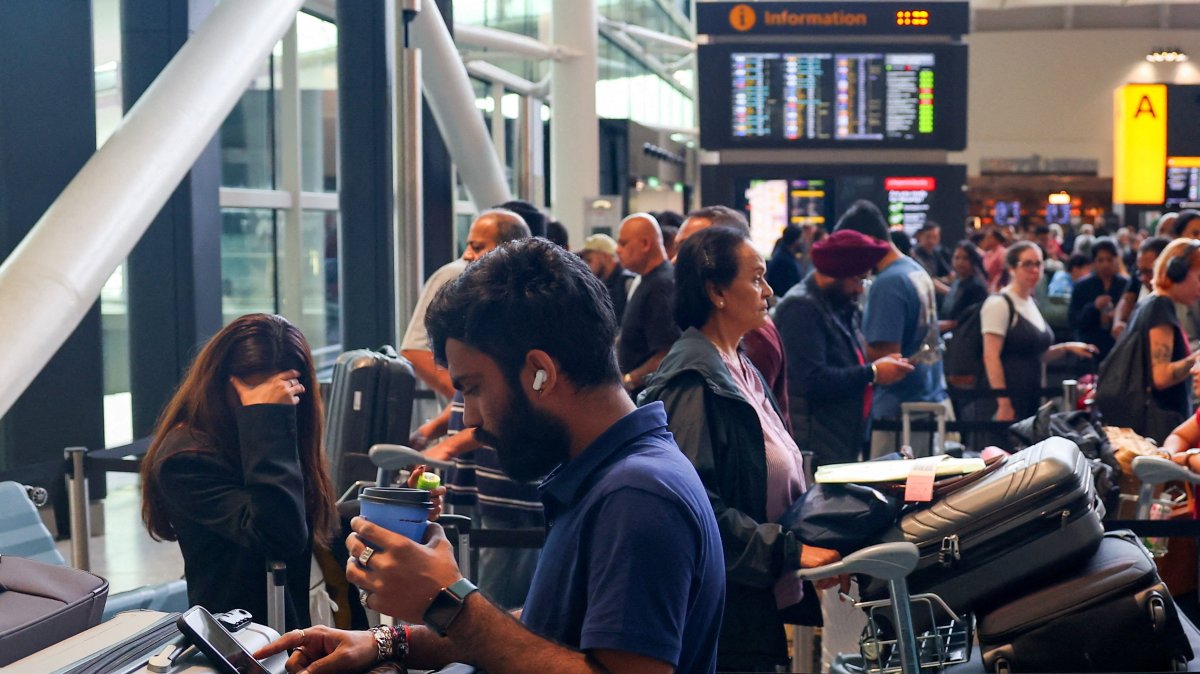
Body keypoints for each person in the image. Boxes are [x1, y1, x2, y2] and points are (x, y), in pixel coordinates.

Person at [257, 239, 725, 674]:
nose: (471, 420)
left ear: (541, 372)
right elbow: (551, 630)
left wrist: (447, 603)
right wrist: (389, 641)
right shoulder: (614, 476)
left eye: (474, 389)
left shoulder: (637, 496)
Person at [639, 226, 847, 672]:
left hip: (753, 602)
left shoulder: (739, 363)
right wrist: (786, 552)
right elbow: (693, 505)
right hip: (724, 615)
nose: (768, 290)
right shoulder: (693, 380)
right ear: (716, 291)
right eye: (755, 279)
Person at [139, 314, 339, 630]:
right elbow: (280, 536)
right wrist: (266, 418)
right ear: (219, 382)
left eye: (283, 391)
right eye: (256, 392)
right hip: (242, 642)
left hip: (291, 626)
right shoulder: (186, 457)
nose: (273, 401)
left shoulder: (267, 434)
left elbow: (306, 516)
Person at [775, 230, 914, 467]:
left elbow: (845, 360)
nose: (861, 289)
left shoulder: (837, 303)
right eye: (858, 279)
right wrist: (874, 372)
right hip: (816, 443)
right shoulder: (801, 308)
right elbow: (812, 380)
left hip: (839, 438)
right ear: (834, 273)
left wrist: (879, 366)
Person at [835, 200, 949, 457]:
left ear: (867, 241)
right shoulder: (914, 269)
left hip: (896, 408)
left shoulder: (889, 283)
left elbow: (885, 355)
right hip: (927, 395)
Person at [675, 206, 792, 431]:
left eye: (693, 247)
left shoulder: (750, 336)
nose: (676, 260)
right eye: (679, 248)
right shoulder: (700, 365)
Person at [401, 210, 532, 398]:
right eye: (470, 245)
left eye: (477, 247)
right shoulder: (456, 276)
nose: (467, 255)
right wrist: (466, 398)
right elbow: (415, 350)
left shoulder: (520, 295)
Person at [982, 242, 1097, 422]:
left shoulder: (1031, 302)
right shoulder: (1000, 303)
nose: (1035, 270)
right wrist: (1004, 402)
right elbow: (991, 356)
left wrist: (1067, 347)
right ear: (1012, 268)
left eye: (1038, 264)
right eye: (1027, 264)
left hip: (1032, 395)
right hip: (1009, 397)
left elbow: (1038, 354)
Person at [1108, 238, 1200, 438]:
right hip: (1158, 424)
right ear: (1178, 273)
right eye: (1199, 277)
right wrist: (1197, 358)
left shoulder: (1150, 303)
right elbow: (1161, 376)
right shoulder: (1161, 307)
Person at [617, 212, 682, 394]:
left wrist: (629, 381)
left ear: (645, 244)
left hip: (650, 396)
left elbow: (668, 352)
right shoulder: (650, 279)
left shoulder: (660, 286)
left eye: (623, 243)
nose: (617, 250)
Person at [1068, 237, 1129, 361]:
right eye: (1100, 260)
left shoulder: (1126, 285)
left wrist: (1117, 316)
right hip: (1090, 347)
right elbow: (1074, 320)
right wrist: (1094, 307)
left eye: (1109, 260)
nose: (1105, 264)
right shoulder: (1082, 286)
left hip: (1119, 348)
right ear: (1094, 262)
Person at [1113, 236, 1171, 338]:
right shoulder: (1140, 277)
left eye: (1149, 272)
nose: (1143, 278)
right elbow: (1126, 299)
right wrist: (1118, 322)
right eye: (1141, 272)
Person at [578, 233, 635, 323]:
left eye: (589, 260)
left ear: (605, 256)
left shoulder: (627, 282)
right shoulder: (600, 284)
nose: (586, 265)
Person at [938, 241, 989, 334]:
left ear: (973, 260)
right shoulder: (957, 282)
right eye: (957, 258)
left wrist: (947, 325)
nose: (960, 262)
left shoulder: (977, 287)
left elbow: (972, 320)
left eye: (965, 258)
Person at [766, 224, 805, 297]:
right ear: (795, 240)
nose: (802, 242)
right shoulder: (783, 260)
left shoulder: (786, 256)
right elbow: (786, 288)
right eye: (801, 238)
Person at [981, 228, 1009, 292]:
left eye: (989, 238)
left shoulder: (1003, 253)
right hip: (986, 287)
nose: (986, 240)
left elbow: (1004, 275)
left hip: (997, 289)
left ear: (995, 239)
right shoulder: (987, 254)